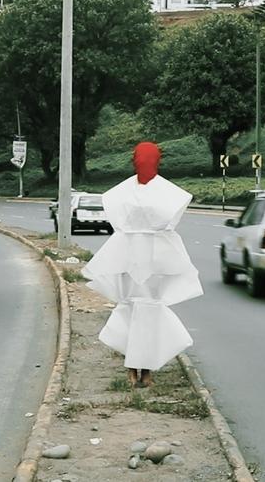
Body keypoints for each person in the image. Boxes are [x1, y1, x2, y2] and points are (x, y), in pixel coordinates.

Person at [82, 142, 201, 388]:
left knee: (148, 311)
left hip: (154, 260)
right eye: (139, 159)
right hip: (129, 256)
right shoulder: (122, 192)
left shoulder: (169, 193)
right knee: (129, 310)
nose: (142, 163)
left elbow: (169, 223)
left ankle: (145, 369)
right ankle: (132, 367)